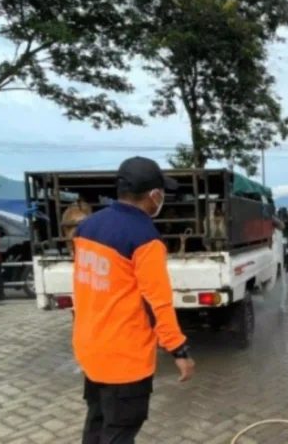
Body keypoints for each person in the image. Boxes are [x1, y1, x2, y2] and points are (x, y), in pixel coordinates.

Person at [72, 156, 194, 444]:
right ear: (154, 195)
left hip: (90, 347)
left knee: (98, 421)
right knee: (120, 431)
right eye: (161, 192)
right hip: (124, 358)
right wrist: (179, 351)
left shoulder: (87, 227)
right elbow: (158, 303)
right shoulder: (145, 239)